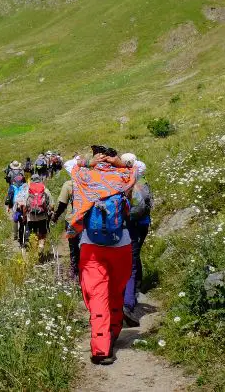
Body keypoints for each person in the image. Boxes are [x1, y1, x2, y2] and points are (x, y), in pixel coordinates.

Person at [65, 145, 138, 366]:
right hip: (122, 244)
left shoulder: (84, 174)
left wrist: (89, 162)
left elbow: (71, 164)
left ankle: (101, 348)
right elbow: (137, 166)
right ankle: (114, 332)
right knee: (116, 292)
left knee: (98, 297)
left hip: (92, 245)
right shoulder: (124, 176)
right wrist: (119, 163)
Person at [120, 153, 152, 328]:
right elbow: (148, 203)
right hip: (142, 224)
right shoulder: (143, 180)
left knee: (128, 263)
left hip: (127, 226)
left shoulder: (122, 181)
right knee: (134, 258)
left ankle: (128, 302)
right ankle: (135, 291)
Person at [22, 175, 53, 261]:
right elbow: (52, 205)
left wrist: (24, 217)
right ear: (40, 180)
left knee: (33, 234)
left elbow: (24, 207)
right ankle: (41, 248)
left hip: (31, 218)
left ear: (31, 181)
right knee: (42, 235)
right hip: (43, 217)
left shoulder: (28, 190)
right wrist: (50, 213)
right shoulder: (45, 190)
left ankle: (34, 253)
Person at [53, 178, 78, 280]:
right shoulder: (92, 181)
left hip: (72, 221)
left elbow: (62, 204)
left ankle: (74, 271)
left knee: (73, 246)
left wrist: (55, 217)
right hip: (88, 221)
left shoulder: (69, 184)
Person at [6, 172, 28, 244]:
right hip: (24, 204)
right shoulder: (25, 186)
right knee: (24, 219)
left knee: (15, 220)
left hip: (15, 204)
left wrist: (9, 206)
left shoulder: (12, 186)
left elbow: (9, 197)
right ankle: (26, 235)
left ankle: (15, 235)